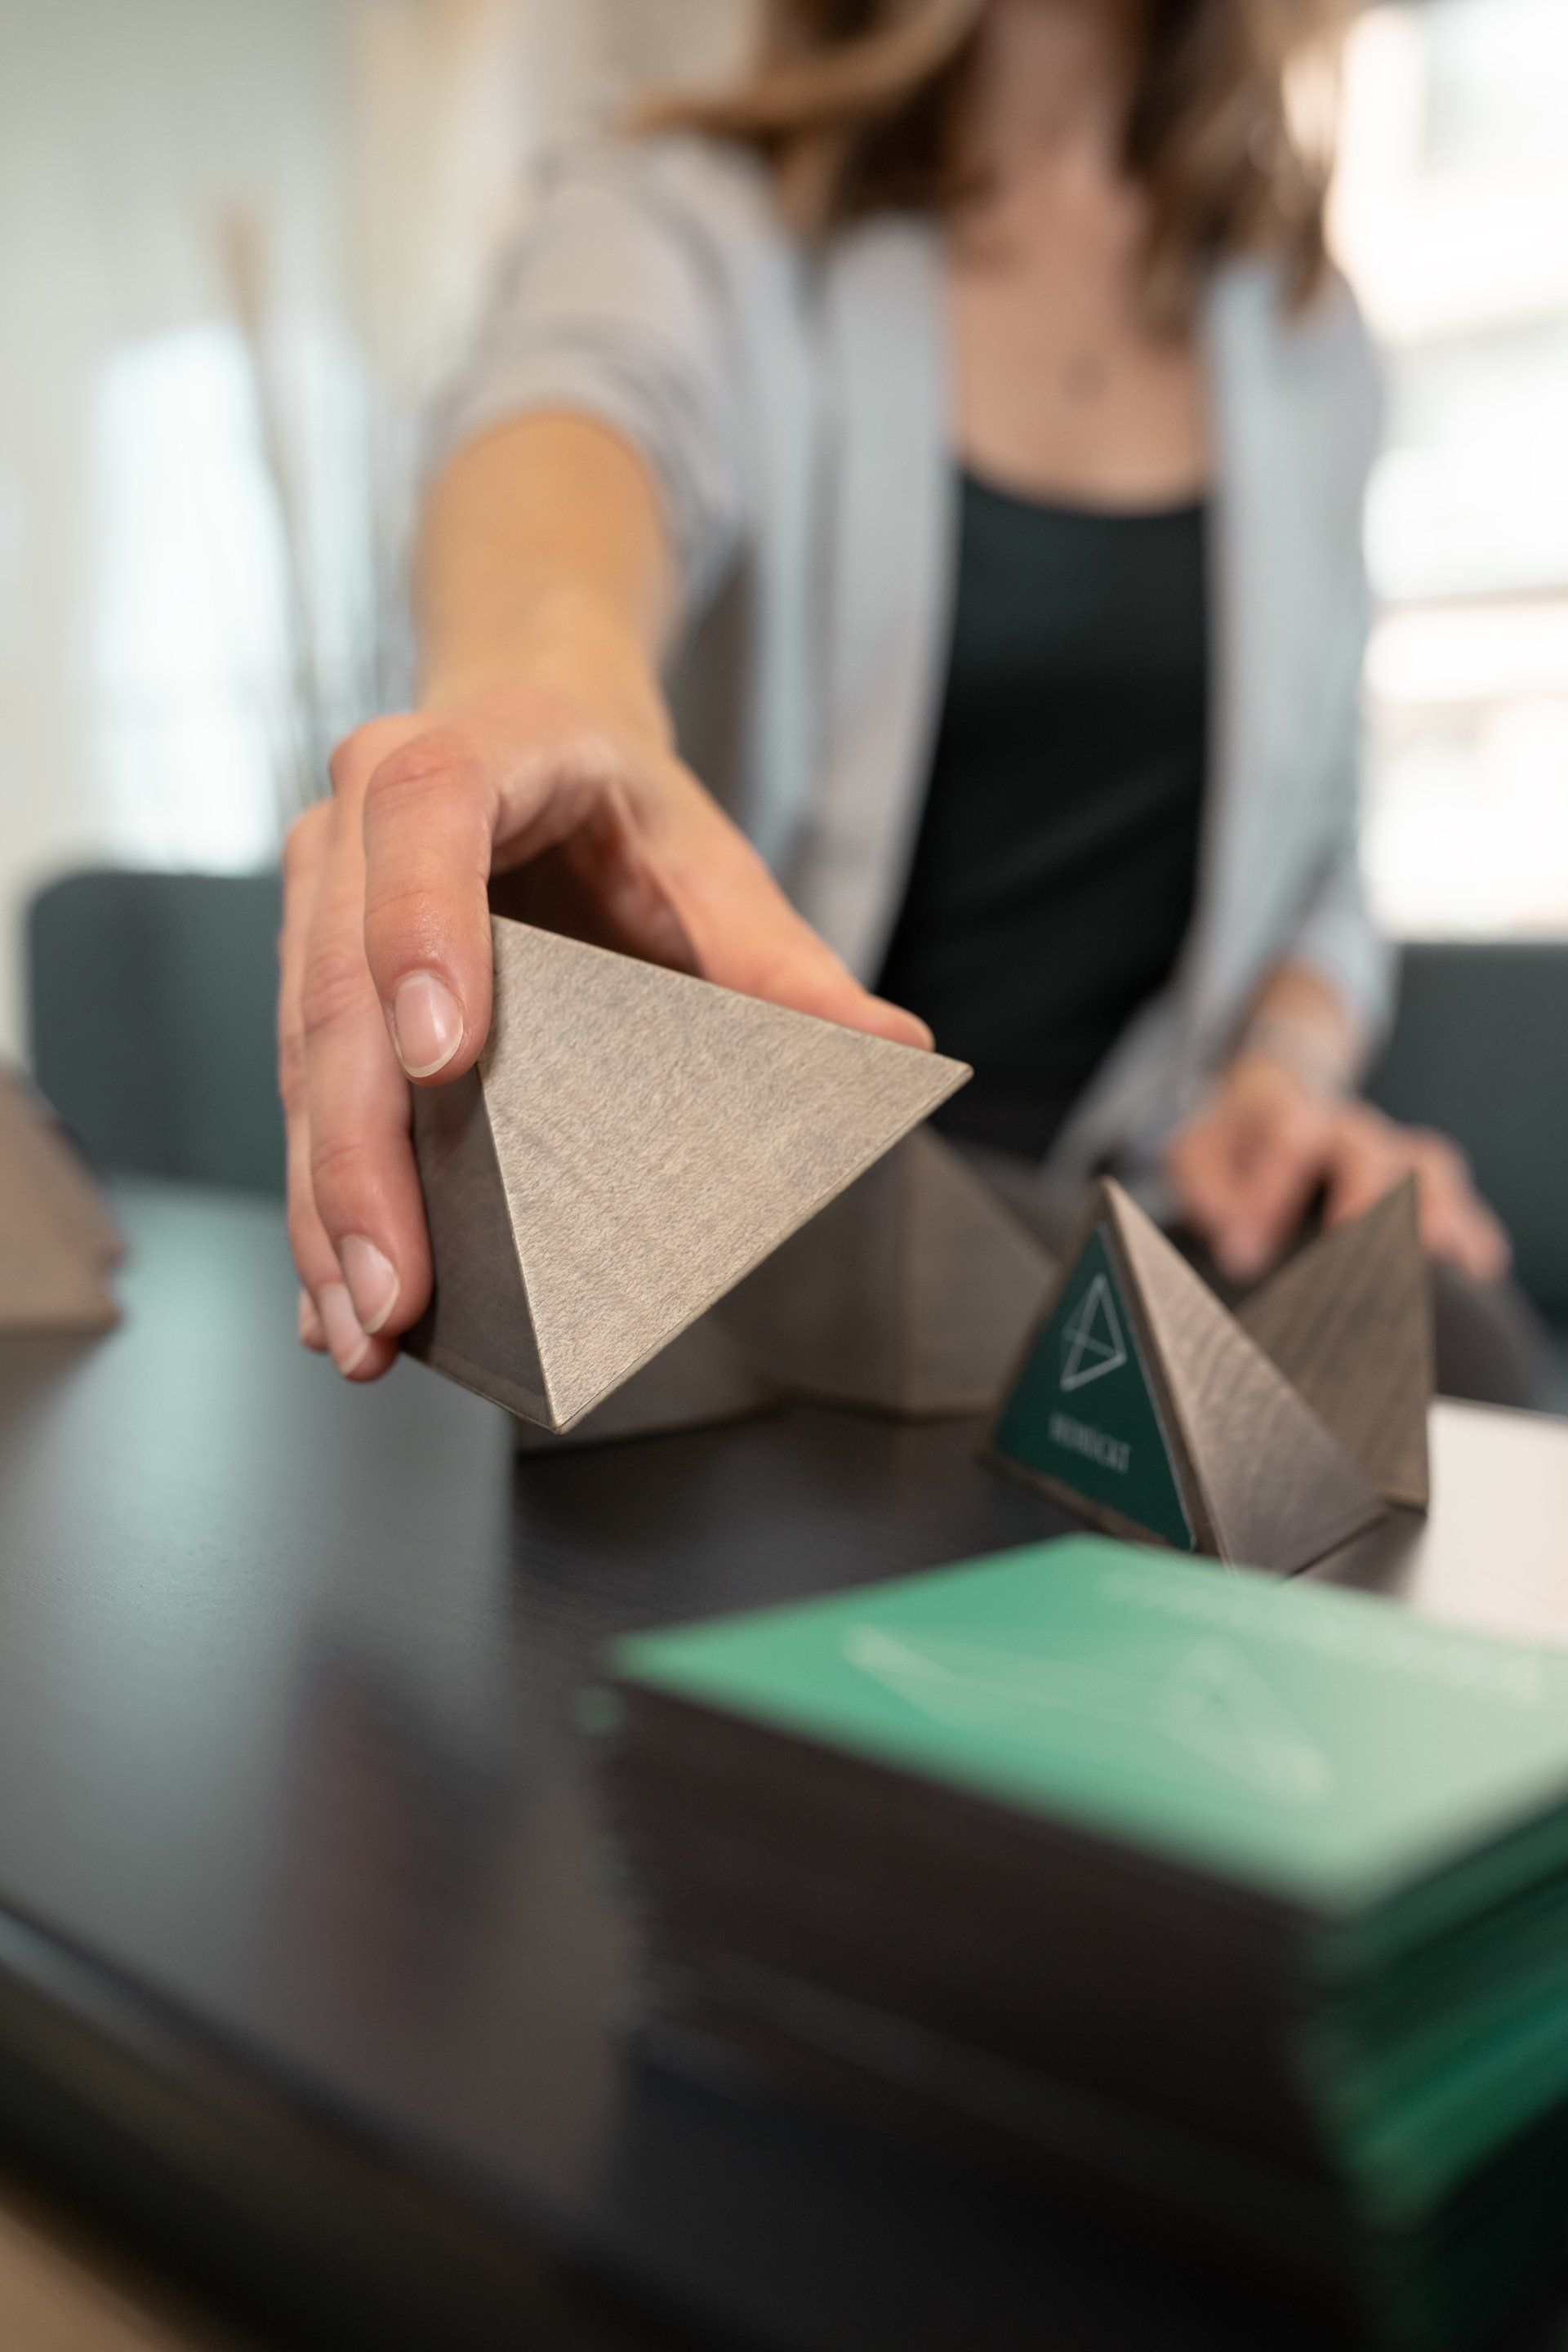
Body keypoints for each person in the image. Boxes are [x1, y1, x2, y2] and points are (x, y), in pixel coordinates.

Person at [278, 0, 1538, 1402]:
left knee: (1449, 1339)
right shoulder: (697, 221)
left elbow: (1326, 852)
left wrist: (1280, 1078)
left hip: (1134, 1212)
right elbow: (580, 408)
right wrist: (547, 686)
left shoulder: (1307, 331)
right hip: (787, 1225)